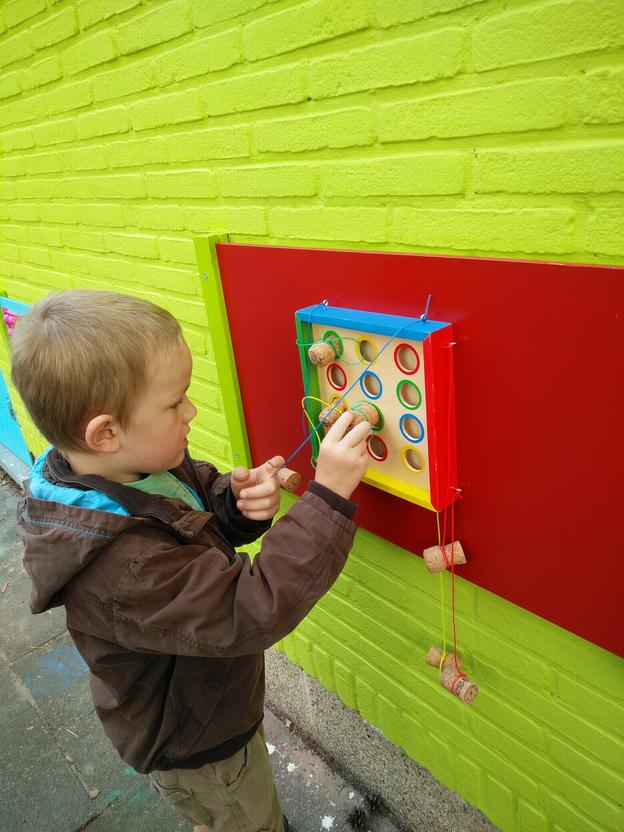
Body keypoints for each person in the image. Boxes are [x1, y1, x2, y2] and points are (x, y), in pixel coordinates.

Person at [11, 290, 371, 832]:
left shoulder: (121, 469)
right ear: (106, 433)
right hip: (198, 744)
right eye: (175, 402)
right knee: (245, 819)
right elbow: (250, 607)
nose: (192, 411)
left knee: (219, 816)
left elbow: (187, 504)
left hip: (203, 708)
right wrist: (329, 497)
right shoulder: (120, 566)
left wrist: (233, 503)